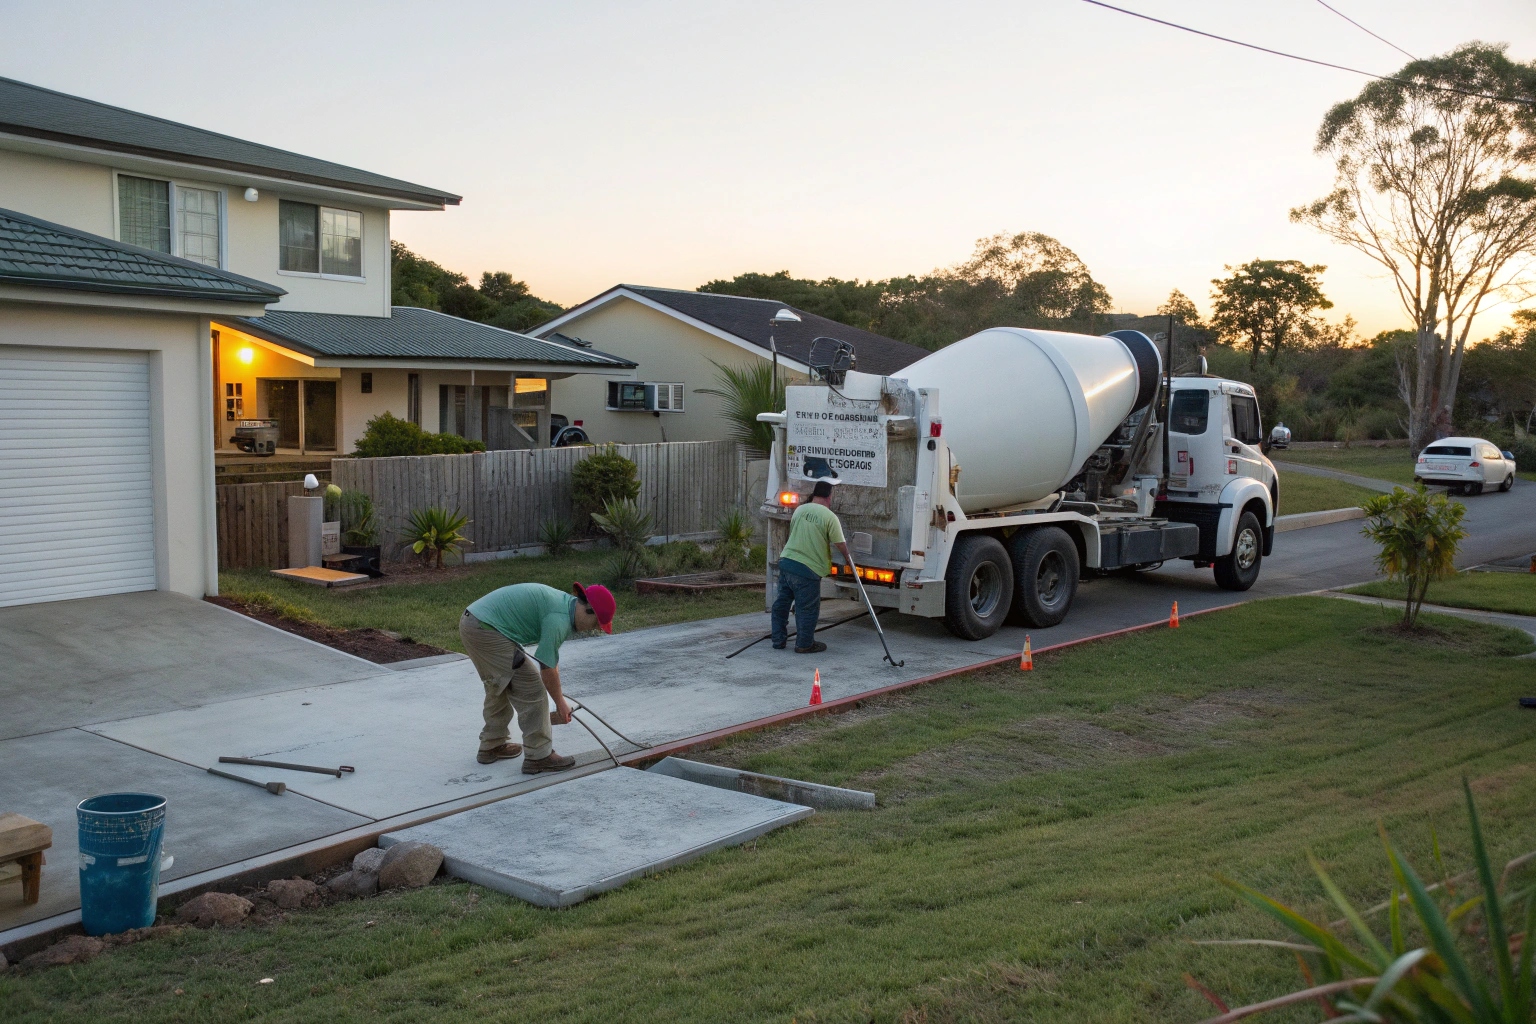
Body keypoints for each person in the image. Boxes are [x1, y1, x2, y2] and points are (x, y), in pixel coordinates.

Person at [459, 581, 616, 771]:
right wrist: (560, 703)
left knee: (500, 684)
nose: (595, 629)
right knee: (532, 689)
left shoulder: (565, 606)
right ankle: (539, 756)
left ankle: (491, 745)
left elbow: (551, 659)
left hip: (478, 623)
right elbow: (547, 668)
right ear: (588, 609)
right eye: (596, 623)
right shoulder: (559, 619)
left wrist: (560, 700)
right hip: (485, 628)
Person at [772, 479, 854, 654]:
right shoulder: (829, 517)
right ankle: (804, 644)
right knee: (807, 608)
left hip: (787, 562)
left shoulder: (800, 510)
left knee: (781, 604)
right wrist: (848, 558)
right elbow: (840, 543)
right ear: (829, 496)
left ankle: (778, 640)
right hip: (807, 570)